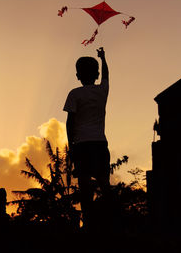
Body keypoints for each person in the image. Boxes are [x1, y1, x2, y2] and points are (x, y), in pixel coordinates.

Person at [63, 47, 110, 231]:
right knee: (104, 185)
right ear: (96, 74)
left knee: (84, 186)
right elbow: (106, 76)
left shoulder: (74, 94)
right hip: (100, 143)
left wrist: (71, 146)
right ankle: (112, 219)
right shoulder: (102, 91)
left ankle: (89, 223)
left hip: (82, 145)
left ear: (77, 75)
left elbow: (69, 123)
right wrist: (104, 58)